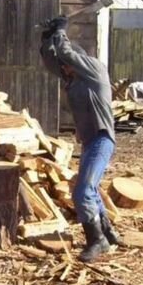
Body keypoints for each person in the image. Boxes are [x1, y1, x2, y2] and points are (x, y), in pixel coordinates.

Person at [39, 16, 121, 263]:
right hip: (89, 141)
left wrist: (61, 31)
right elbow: (53, 61)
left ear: (77, 62)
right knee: (91, 188)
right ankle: (107, 231)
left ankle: (97, 241)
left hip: (101, 139)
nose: (63, 70)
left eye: (67, 66)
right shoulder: (74, 77)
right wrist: (46, 40)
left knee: (82, 191)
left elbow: (65, 53)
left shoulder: (95, 70)